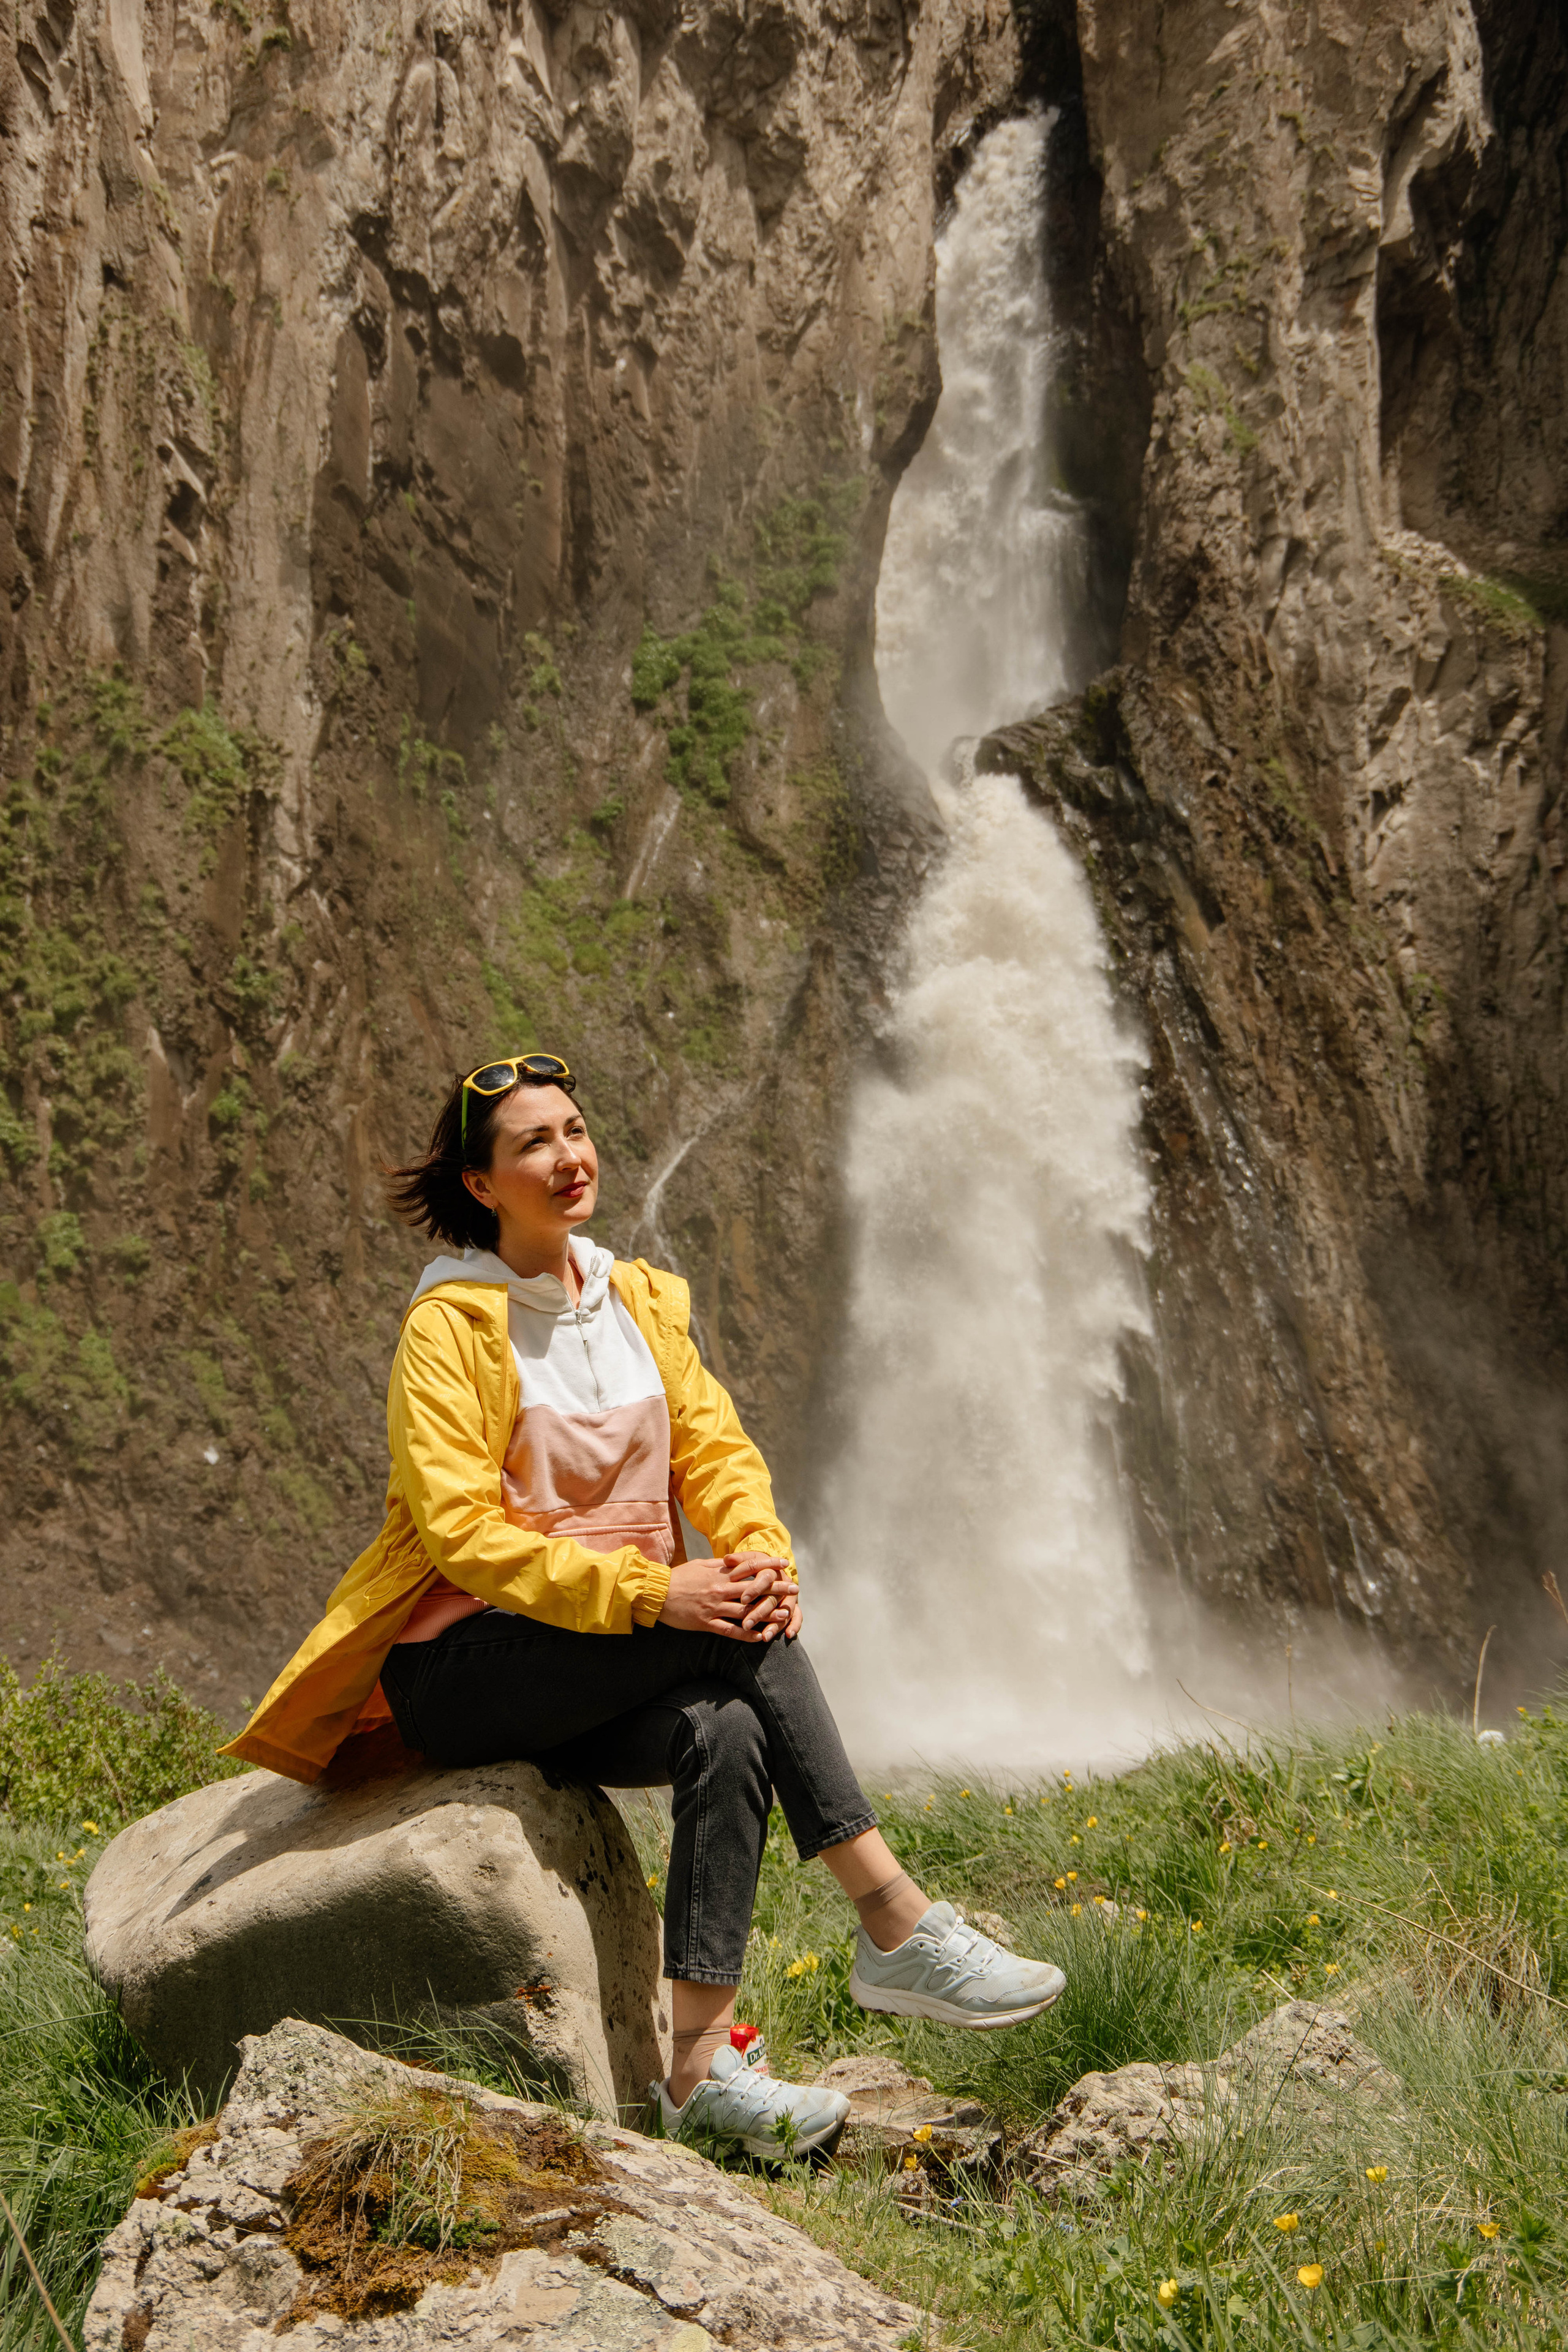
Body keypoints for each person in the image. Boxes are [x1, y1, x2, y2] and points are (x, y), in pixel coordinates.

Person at [223, 1051, 1066, 2156]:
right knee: (729, 1651)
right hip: (465, 1667)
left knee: (723, 1728)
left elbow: (716, 1447)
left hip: (608, 1644)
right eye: (534, 1143)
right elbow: (463, 1538)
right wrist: (659, 1590)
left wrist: (757, 1552)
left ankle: (698, 2066)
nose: (569, 1157)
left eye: (575, 1130)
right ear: (482, 1184)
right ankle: (893, 1919)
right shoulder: (450, 1328)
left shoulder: (638, 1300)